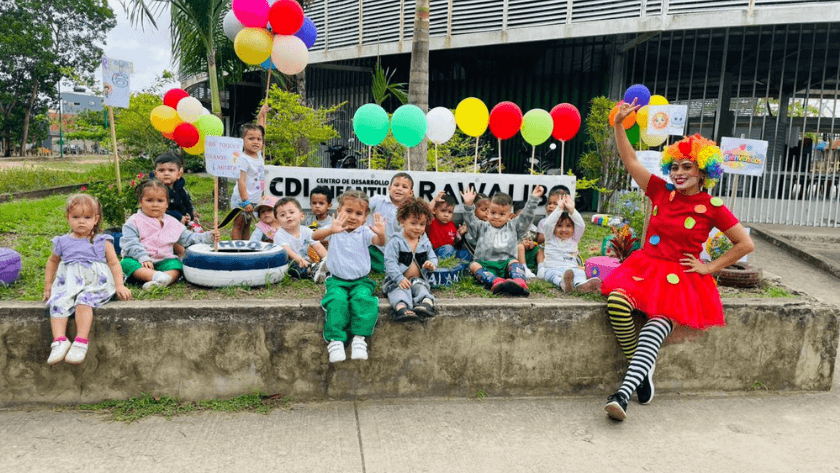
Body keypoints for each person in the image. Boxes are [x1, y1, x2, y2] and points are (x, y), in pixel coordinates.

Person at [602, 100, 755, 421]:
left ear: (703, 172)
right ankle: (642, 373)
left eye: (687, 167)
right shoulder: (660, 191)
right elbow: (629, 159)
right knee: (616, 303)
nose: (679, 172)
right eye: (675, 167)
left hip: (680, 280)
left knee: (653, 329)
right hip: (645, 268)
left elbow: (745, 244)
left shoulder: (712, 206)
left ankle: (623, 394)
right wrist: (619, 124)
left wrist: (709, 267)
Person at [44, 194, 131, 365]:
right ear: (68, 217)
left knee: (84, 302)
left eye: (87, 217)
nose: (81, 221)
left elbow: (114, 263)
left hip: (95, 283)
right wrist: (48, 286)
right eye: (76, 217)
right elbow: (53, 262)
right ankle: (60, 340)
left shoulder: (102, 241)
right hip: (69, 282)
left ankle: (81, 342)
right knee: (58, 301)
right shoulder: (62, 241)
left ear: (96, 219)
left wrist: (119, 284)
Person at [312, 190, 386, 363]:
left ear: (365, 216)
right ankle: (335, 341)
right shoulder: (334, 228)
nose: (353, 216)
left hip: (361, 281)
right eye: (348, 211)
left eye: (358, 213)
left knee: (364, 300)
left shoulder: (365, 232)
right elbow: (314, 236)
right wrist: (331, 230)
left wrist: (381, 232)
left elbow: (380, 242)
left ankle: (359, 339)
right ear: (339, 211)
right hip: (337, 281)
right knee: (337, 301)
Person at [121, 179, 220, 290]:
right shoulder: (134, 221)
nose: (155, 204)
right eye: (149, 200)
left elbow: (188, 238)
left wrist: (208, 236)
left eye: (160, 201)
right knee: (127, 263)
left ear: (167, 203)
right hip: (141, 261)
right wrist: (142, 257)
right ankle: (157, 277)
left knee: (177, 266)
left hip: (164, 260)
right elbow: (130, 243)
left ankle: (164, 280)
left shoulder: (172, 222)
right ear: (140, 202)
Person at [461, 186, 543, 296]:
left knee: (514, 262)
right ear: (488, 211)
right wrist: (468, 205)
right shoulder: (481, 227)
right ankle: (496, 282)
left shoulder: (514, 227)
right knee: (473, 265)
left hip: (506, 265)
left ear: (509, 216)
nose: (496, 217)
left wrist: (534, 199)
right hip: (485, 265)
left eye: (502, 214)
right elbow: (470, 221)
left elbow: (525, 217)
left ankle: (519, 282)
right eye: (493, 212)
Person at [384, 197, 438, 322]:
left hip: (417, 280)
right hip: (397, 281)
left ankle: (426, 303)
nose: (418, 228)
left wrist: (431, 264)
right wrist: (399, 278)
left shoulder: (424, 242)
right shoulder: (395, 242)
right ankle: (401, 307)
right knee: (400, 292)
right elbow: (390, 262)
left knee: (421, 289)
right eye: (413, 223)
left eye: (422, 224)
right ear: (402, 221)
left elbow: (432, 256)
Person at [539, 194, 600, 293]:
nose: (564, 229)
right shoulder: (550, 238)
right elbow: (548, 224)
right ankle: (562, 284)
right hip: (553, 269)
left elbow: (581, 225)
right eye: (559, 226)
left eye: (568, 226)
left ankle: (580, 285)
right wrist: (559, 209)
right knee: (551, 275)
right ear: (554, 228)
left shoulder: (574, 239)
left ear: (573, 228)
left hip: (571, 269)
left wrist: (572, 210)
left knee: (579, 272)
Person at [231, 104, 269, 240]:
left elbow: (261, 130)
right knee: (239, 225)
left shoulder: (258, 155)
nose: (256, 142)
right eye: (251, 138)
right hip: (243, 199)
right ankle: (236, 249)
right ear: (243, 140)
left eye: (259, 139)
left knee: (248, 225)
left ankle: (245, 248)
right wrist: (245, 201)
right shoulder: (243, 159)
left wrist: (262, 116)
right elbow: (240, 181)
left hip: (255, 198)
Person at [273, 197, 328, 283]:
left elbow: (317, 246)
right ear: (277, 222)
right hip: (289, 262)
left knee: (320, 262)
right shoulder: (280, 234)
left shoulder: (307, 231)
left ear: (301, 216)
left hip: (306, 261)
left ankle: (322, 269)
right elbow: (288, 251)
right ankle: (313, 272)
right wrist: (301, 261)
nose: (288, 216)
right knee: (292, 269)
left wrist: (327, 259)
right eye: (282, 215)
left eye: (291, 212)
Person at [367, 172, 414, 272]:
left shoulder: (410, 211)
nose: (399, 189)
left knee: (405, 266)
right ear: (389, 188)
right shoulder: (378, 200)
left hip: (396, 251)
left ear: (411, 193)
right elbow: (361, 208)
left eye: (404, 187)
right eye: (396, 185)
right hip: (375, 246)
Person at [150, 151, 198, 226]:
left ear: (179, 174)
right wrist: (178, 216)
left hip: (181, 222)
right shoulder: (154, 190)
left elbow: (186, 202)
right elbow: (157, 210)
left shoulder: (179, 188)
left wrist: (189, 215)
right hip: (161, 224)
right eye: (161, 170)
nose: (166, 173)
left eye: (171, 170)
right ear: (155, 174)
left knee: (197, 232)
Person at [535, 185, 569, 278]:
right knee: (540, 251)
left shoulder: (567, 223)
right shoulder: (543, 222)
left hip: (562, 249)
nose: (551, 206)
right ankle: (541, 269)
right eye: (549, 203)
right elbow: (540, 240)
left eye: (555, 204)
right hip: (547, 250)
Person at [427, 192, 470, 261]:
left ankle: (457, 268)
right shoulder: (432, 221)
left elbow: (454, 242)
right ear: (434, 210)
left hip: (451, 252)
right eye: (443, 211)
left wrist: (459, 234)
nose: (446, 215)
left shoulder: (451, 224)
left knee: (465, 253)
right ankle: (445, 267)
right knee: (448, 248)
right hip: (437, 253)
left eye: (450, 212)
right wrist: (434, 200)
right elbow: (426, 212)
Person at [304, 185, 334, 261]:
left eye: (321, 203)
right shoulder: (309, 220)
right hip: (312, 249)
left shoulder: (332, 221)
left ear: (329, 206)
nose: (317, 206)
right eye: (314, 203)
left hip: (327, 248)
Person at [513, 200, 541, 278]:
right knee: (520, 247)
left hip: (530, 253)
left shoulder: (535, 229)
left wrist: (533, 244)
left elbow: (538, 242)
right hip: (518, 253)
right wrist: (521, 243)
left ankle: (540, 268)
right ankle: (523, 268)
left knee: (540, 250)